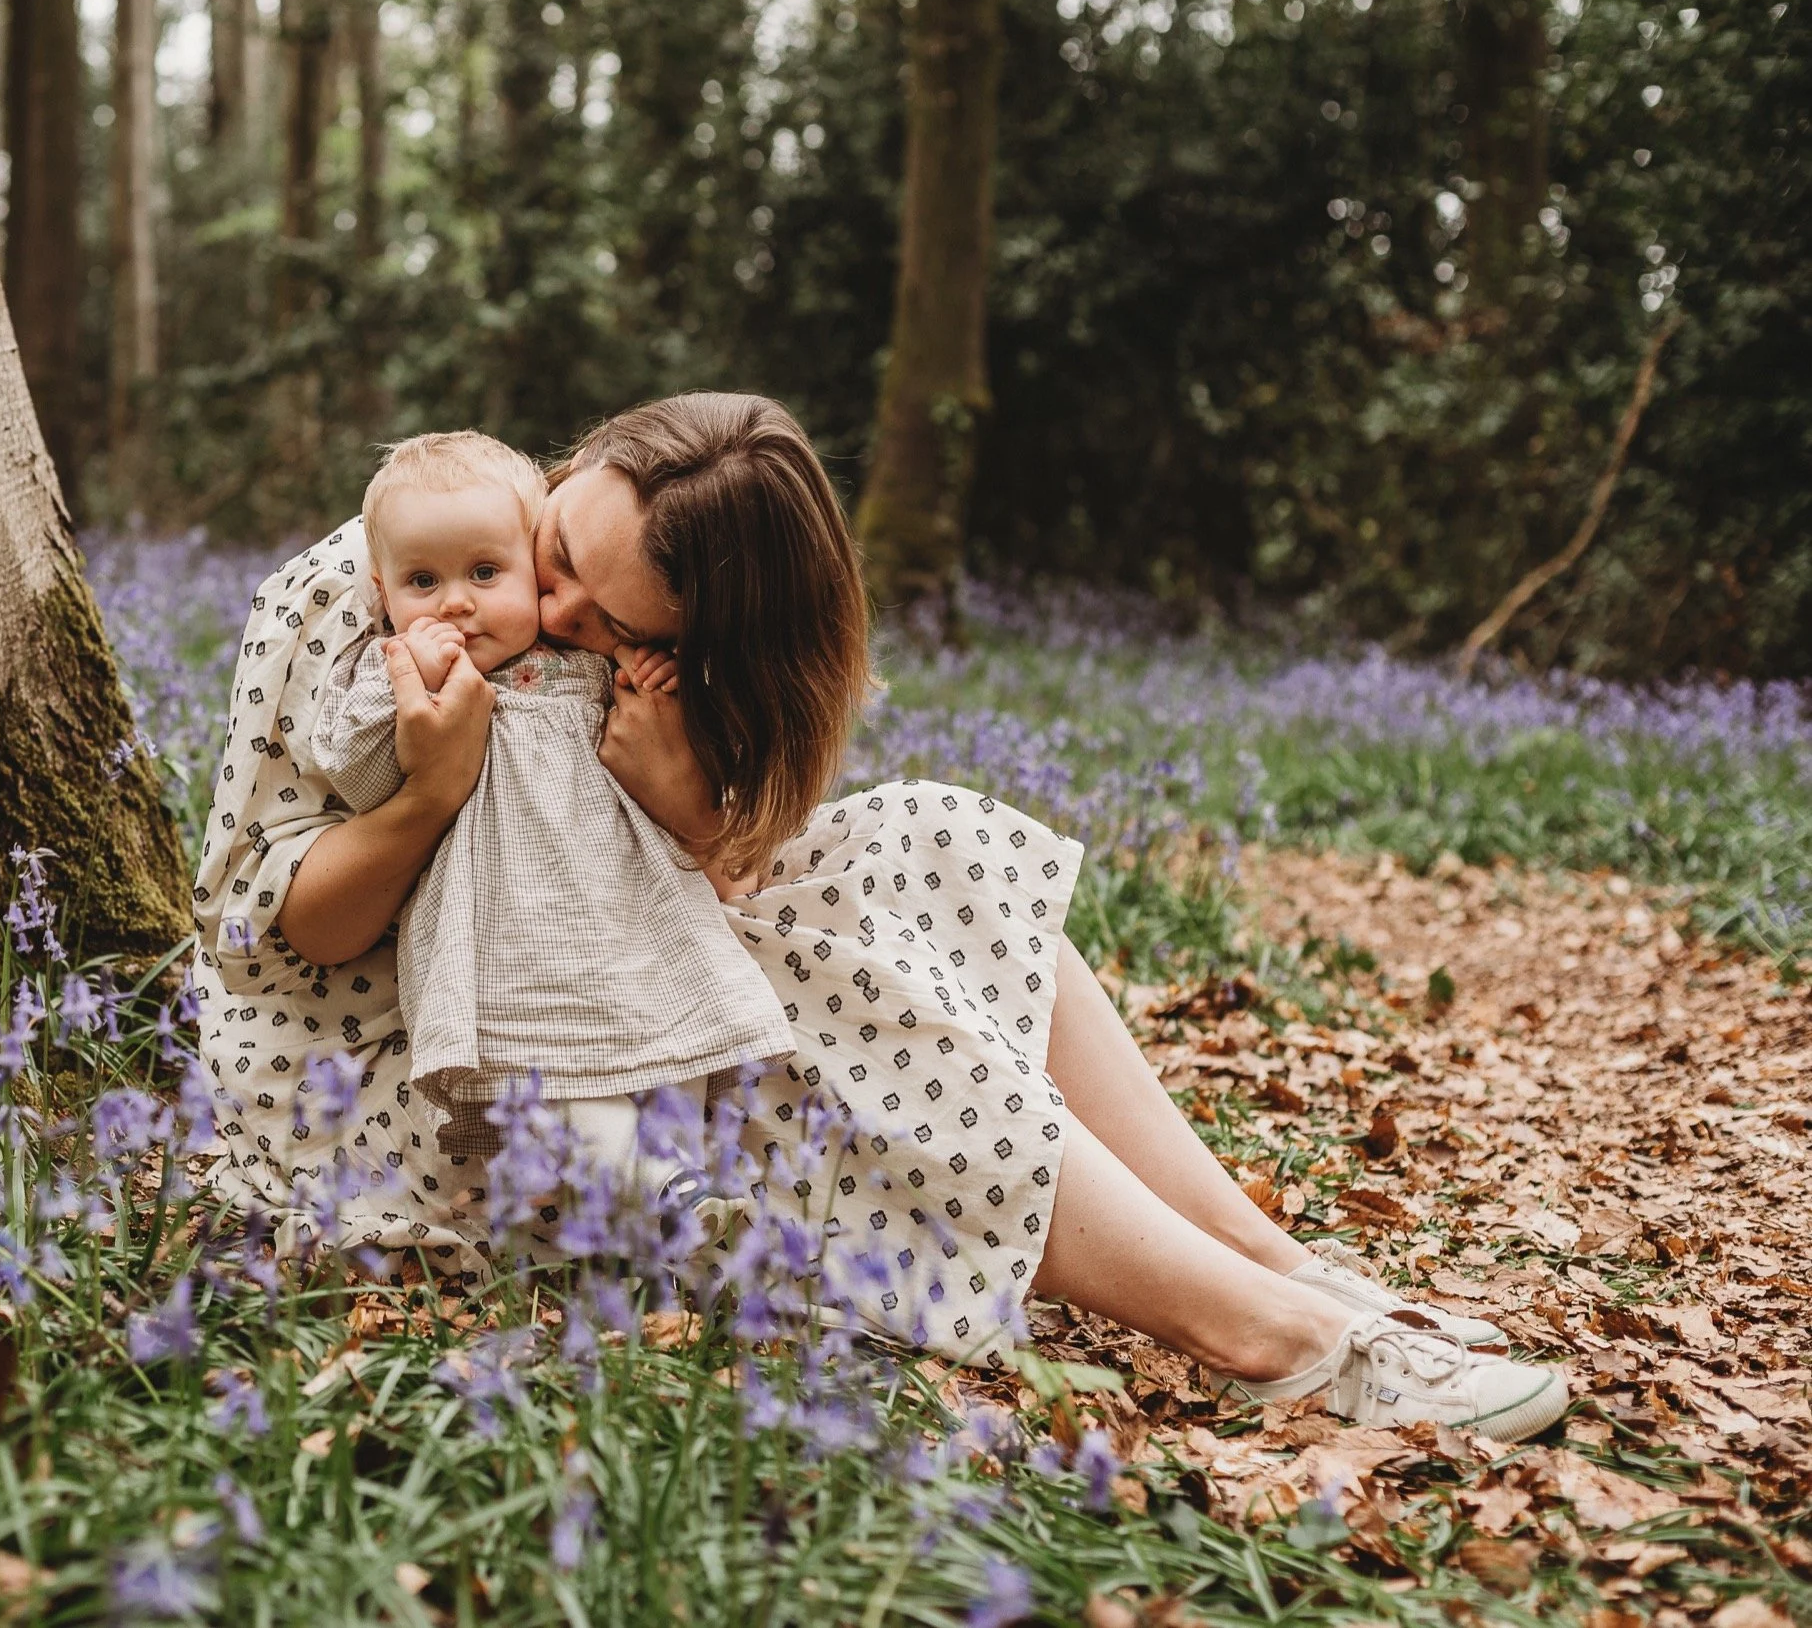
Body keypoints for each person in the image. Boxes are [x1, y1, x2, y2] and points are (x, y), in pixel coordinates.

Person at [191, 392, 1570, 1440]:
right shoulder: (385, 583)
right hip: (413, 1059)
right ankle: (1268, 1334)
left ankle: (1282, 1258)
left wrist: (693, 801)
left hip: (614, 963)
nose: (540, 607)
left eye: (601, 615)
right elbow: (275, 940)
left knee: (931, 840)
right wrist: (429, 789)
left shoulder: (640, 655)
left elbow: (702, 870)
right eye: (555, 542)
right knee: (831, 994)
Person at [309, 431, 787, 1218]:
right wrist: (412, 704)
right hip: (513, 935)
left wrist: (660, 686)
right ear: (380, 592)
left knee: (671, 1036)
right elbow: (356, 778)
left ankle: (677, 1181)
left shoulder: (589, 658)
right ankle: (662, 1198)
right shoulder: (400, 671)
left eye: (486, 574)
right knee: (558, 1070)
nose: (455, 603)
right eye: (421, 581)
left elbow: (697, 770)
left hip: (631, 911)